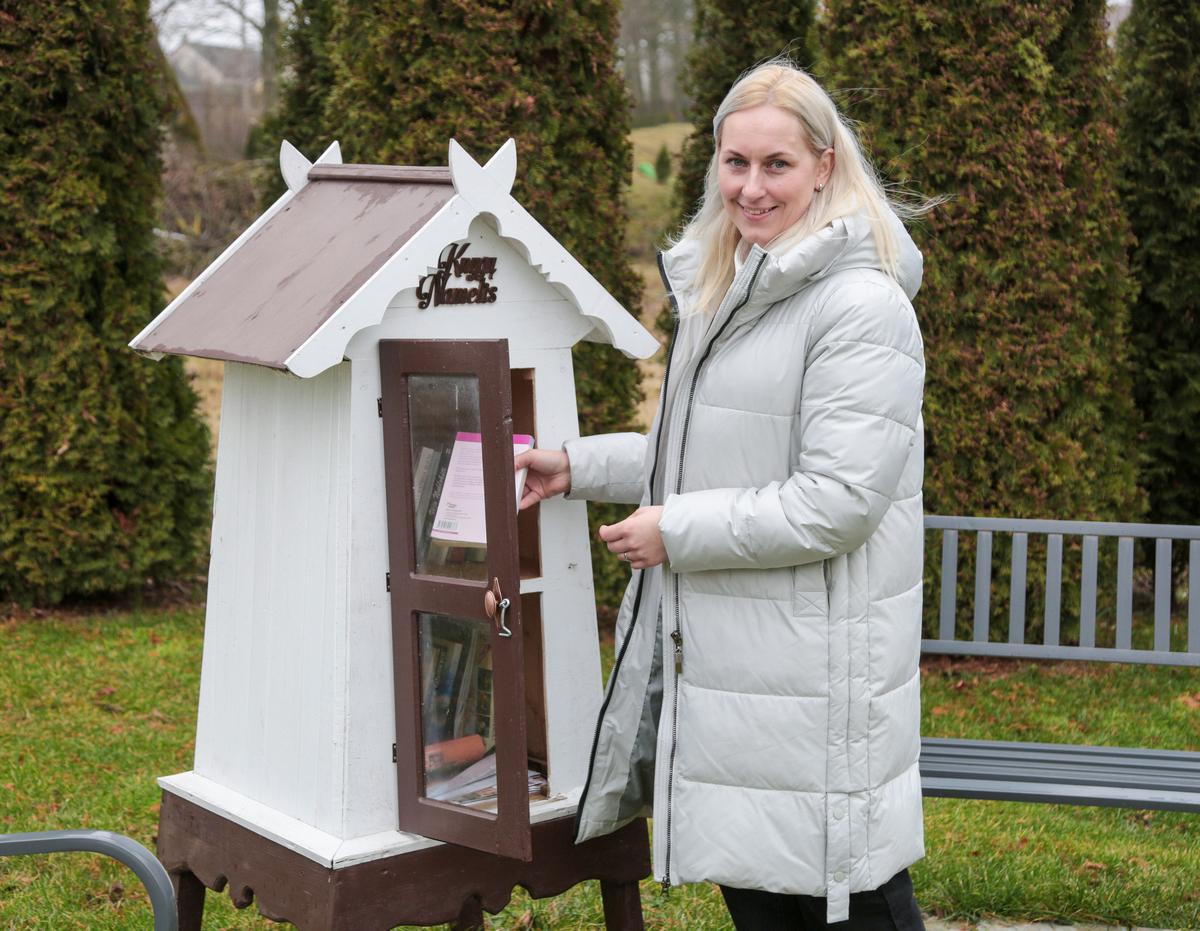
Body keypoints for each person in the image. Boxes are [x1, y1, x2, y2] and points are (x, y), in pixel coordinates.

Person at [516, 59, 928, 930]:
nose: (750, 187)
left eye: (776, 164)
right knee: (766, 901)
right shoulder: (731, 286)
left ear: (825, 164)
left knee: (844, 901)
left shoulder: (859, 306)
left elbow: (837, 500)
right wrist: (576, 465)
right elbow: (704, 452)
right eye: (734, 163)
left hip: (811, 673)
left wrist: (678, 531)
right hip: (744, 668)